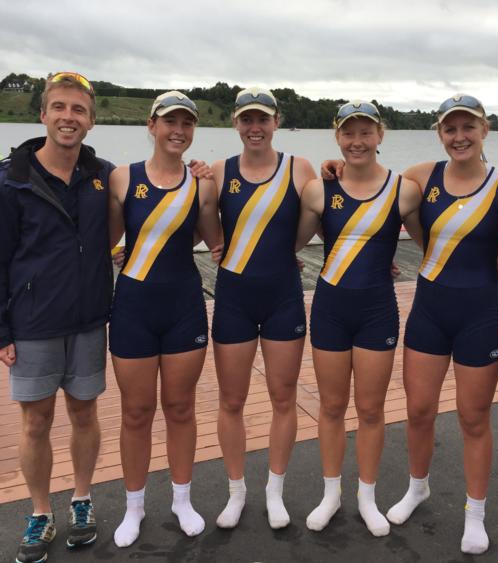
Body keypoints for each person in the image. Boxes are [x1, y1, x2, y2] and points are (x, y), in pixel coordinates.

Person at [384, 94, 498, 554]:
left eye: (469, 127)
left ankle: (476, 512)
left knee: (473, 418)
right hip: (429, 311)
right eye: (451, 129)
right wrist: (330, 166)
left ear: (485, 129)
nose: (459, 136)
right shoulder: (419, 177)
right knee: (419, 410)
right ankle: (417, 486)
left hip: (480, 316)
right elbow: (365, 190)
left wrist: (487, 246)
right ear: (440, 133)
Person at [0, 72, 113, 563]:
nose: (69, 117)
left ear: (91, 120)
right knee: (35, 422)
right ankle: (41, 512)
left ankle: (82, 500)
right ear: (42, 115)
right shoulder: (10, 181)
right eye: (60, 107)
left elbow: (155, 184)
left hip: (89, 320)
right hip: (32, 322)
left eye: (79, 110)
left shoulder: (103, 175)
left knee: (85, 413)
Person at [297, 101, 422, 536]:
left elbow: (439, 243)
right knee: (331, 407)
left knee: (370, 409)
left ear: (381, 136)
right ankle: (331, 493)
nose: (357, 141)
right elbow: (286, 238)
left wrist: (488, 261)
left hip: (376, 312)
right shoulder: (317, 190)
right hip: (331, 310)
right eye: (348, 134)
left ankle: (366, 496)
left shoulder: (404, 190)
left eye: (366, 132)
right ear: (337, 138)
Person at [107, 91, 221, 547]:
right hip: (133, 306)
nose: (178, 130)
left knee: (179, 408)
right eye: (169, 121)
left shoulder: (203, 184)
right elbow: (105, 239)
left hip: (182, 306)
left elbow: (215, 240)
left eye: (187, 123)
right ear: (152, 126)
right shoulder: (121, 178)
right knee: (136, 412)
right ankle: (134, 507)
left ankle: (181, 499)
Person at [210, 87, 316, 530]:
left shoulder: (300, 168)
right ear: (236, 124)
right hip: (233, 298)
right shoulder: (217, 172)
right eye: (246, 120)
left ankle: (275, 489)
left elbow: (313, 223)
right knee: (231, 400)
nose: (255, 128)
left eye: (263, 120)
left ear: (276, 122)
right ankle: (237, 491)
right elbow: (194, 221)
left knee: (282, 397)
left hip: (282, 297)